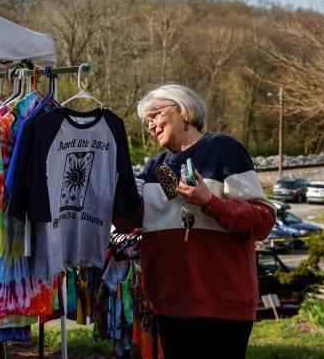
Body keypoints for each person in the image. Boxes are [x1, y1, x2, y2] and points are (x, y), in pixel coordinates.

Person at [115, 84, 276, 359]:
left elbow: (263, 220)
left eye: (155, 114)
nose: (151, 125)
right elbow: (146, 219)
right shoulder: (159, 167)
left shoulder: (221, 149)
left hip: (220, 302)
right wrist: (110, 192)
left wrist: (210, 203)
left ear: (184, 110)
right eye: (146, 121)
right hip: (171, 302)